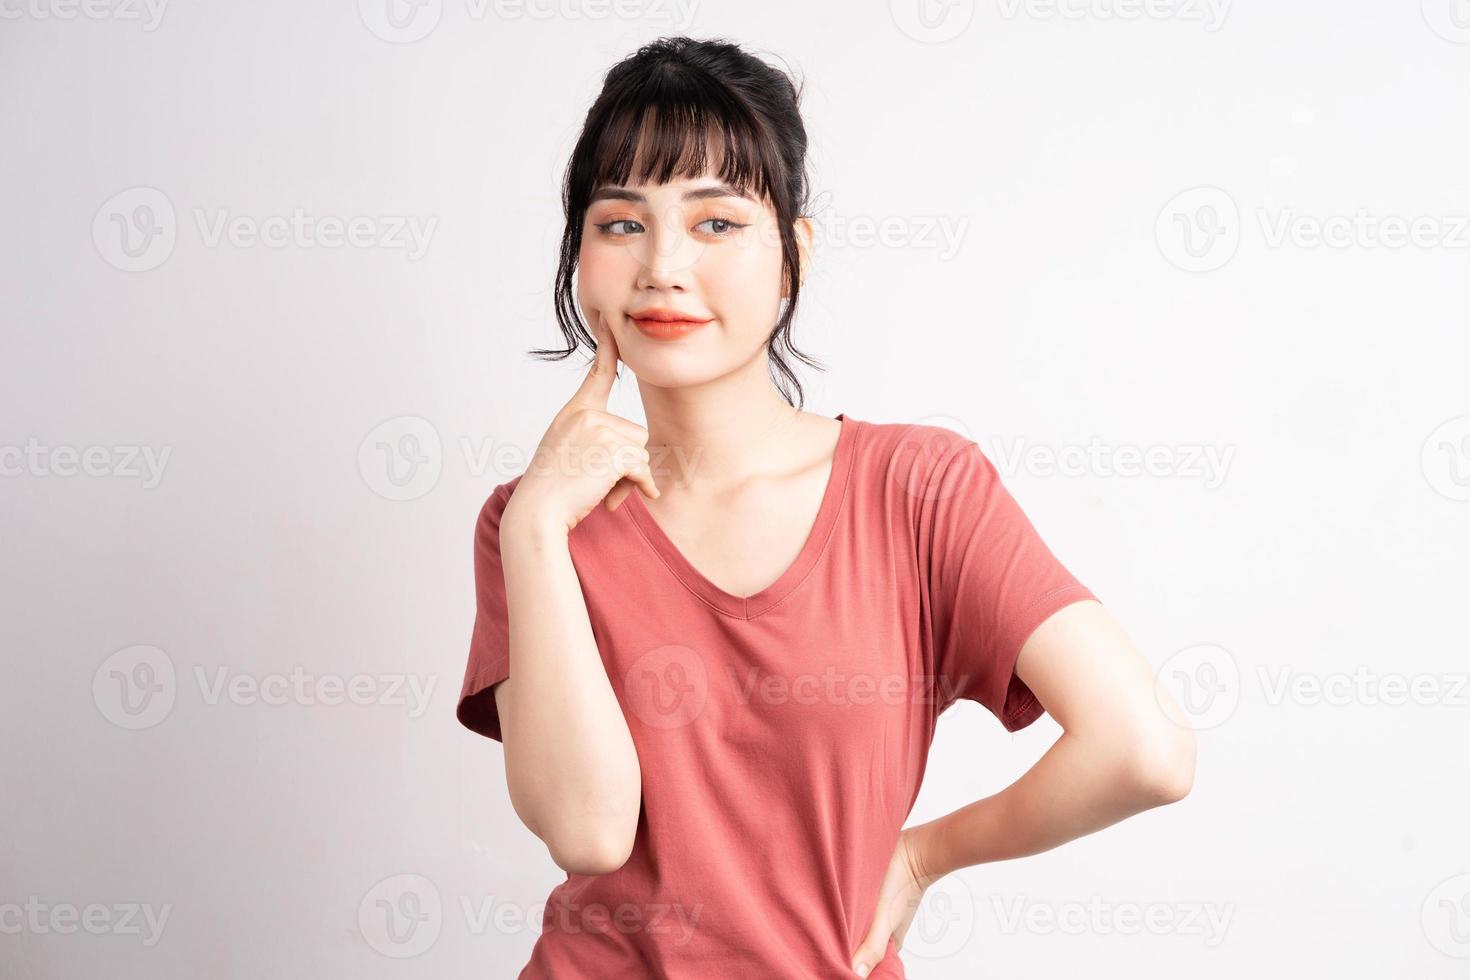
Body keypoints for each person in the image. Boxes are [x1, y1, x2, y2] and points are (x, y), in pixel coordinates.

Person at [456, 36, 1196, 979]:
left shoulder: (918, 488)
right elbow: (589, 832)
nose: (662, 264)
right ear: (580, 257)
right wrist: (534, 530)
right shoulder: (530, 524)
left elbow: (1145, 749)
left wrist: (927, 855)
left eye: (716, 222)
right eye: (619, 222)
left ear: (792, 255)